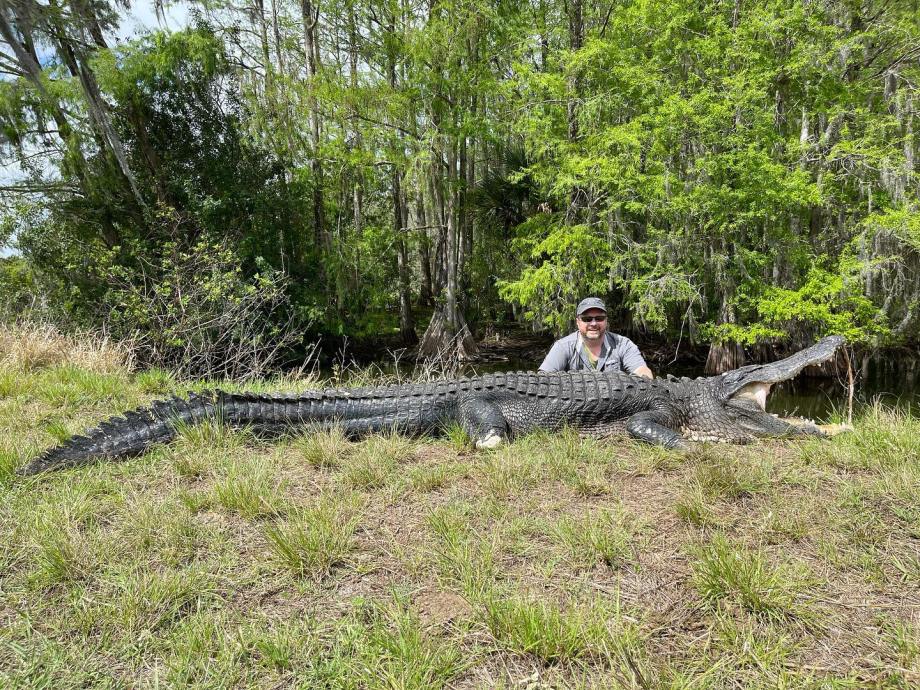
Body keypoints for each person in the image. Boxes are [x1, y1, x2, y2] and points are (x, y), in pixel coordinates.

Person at [538, 297, 654, 378]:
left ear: (606, 320)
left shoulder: (623, 344)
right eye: (587, 319)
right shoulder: (563, 346)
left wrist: (645, 379)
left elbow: (642, 371)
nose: (593, 323)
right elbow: (542, 379)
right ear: (578, 322)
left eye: (599, 318)